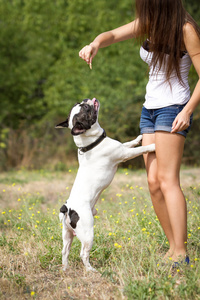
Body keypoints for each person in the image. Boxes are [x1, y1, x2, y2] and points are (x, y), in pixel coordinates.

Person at [79, 0, 200, 263]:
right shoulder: (150, 23)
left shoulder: (186, 29)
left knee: (168, 181)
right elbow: (110, 35)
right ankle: (172, 247)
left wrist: (187, 111)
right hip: (149, 110)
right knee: (153, 183)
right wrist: (95, 44)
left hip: (173, 109)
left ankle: (181, 252)